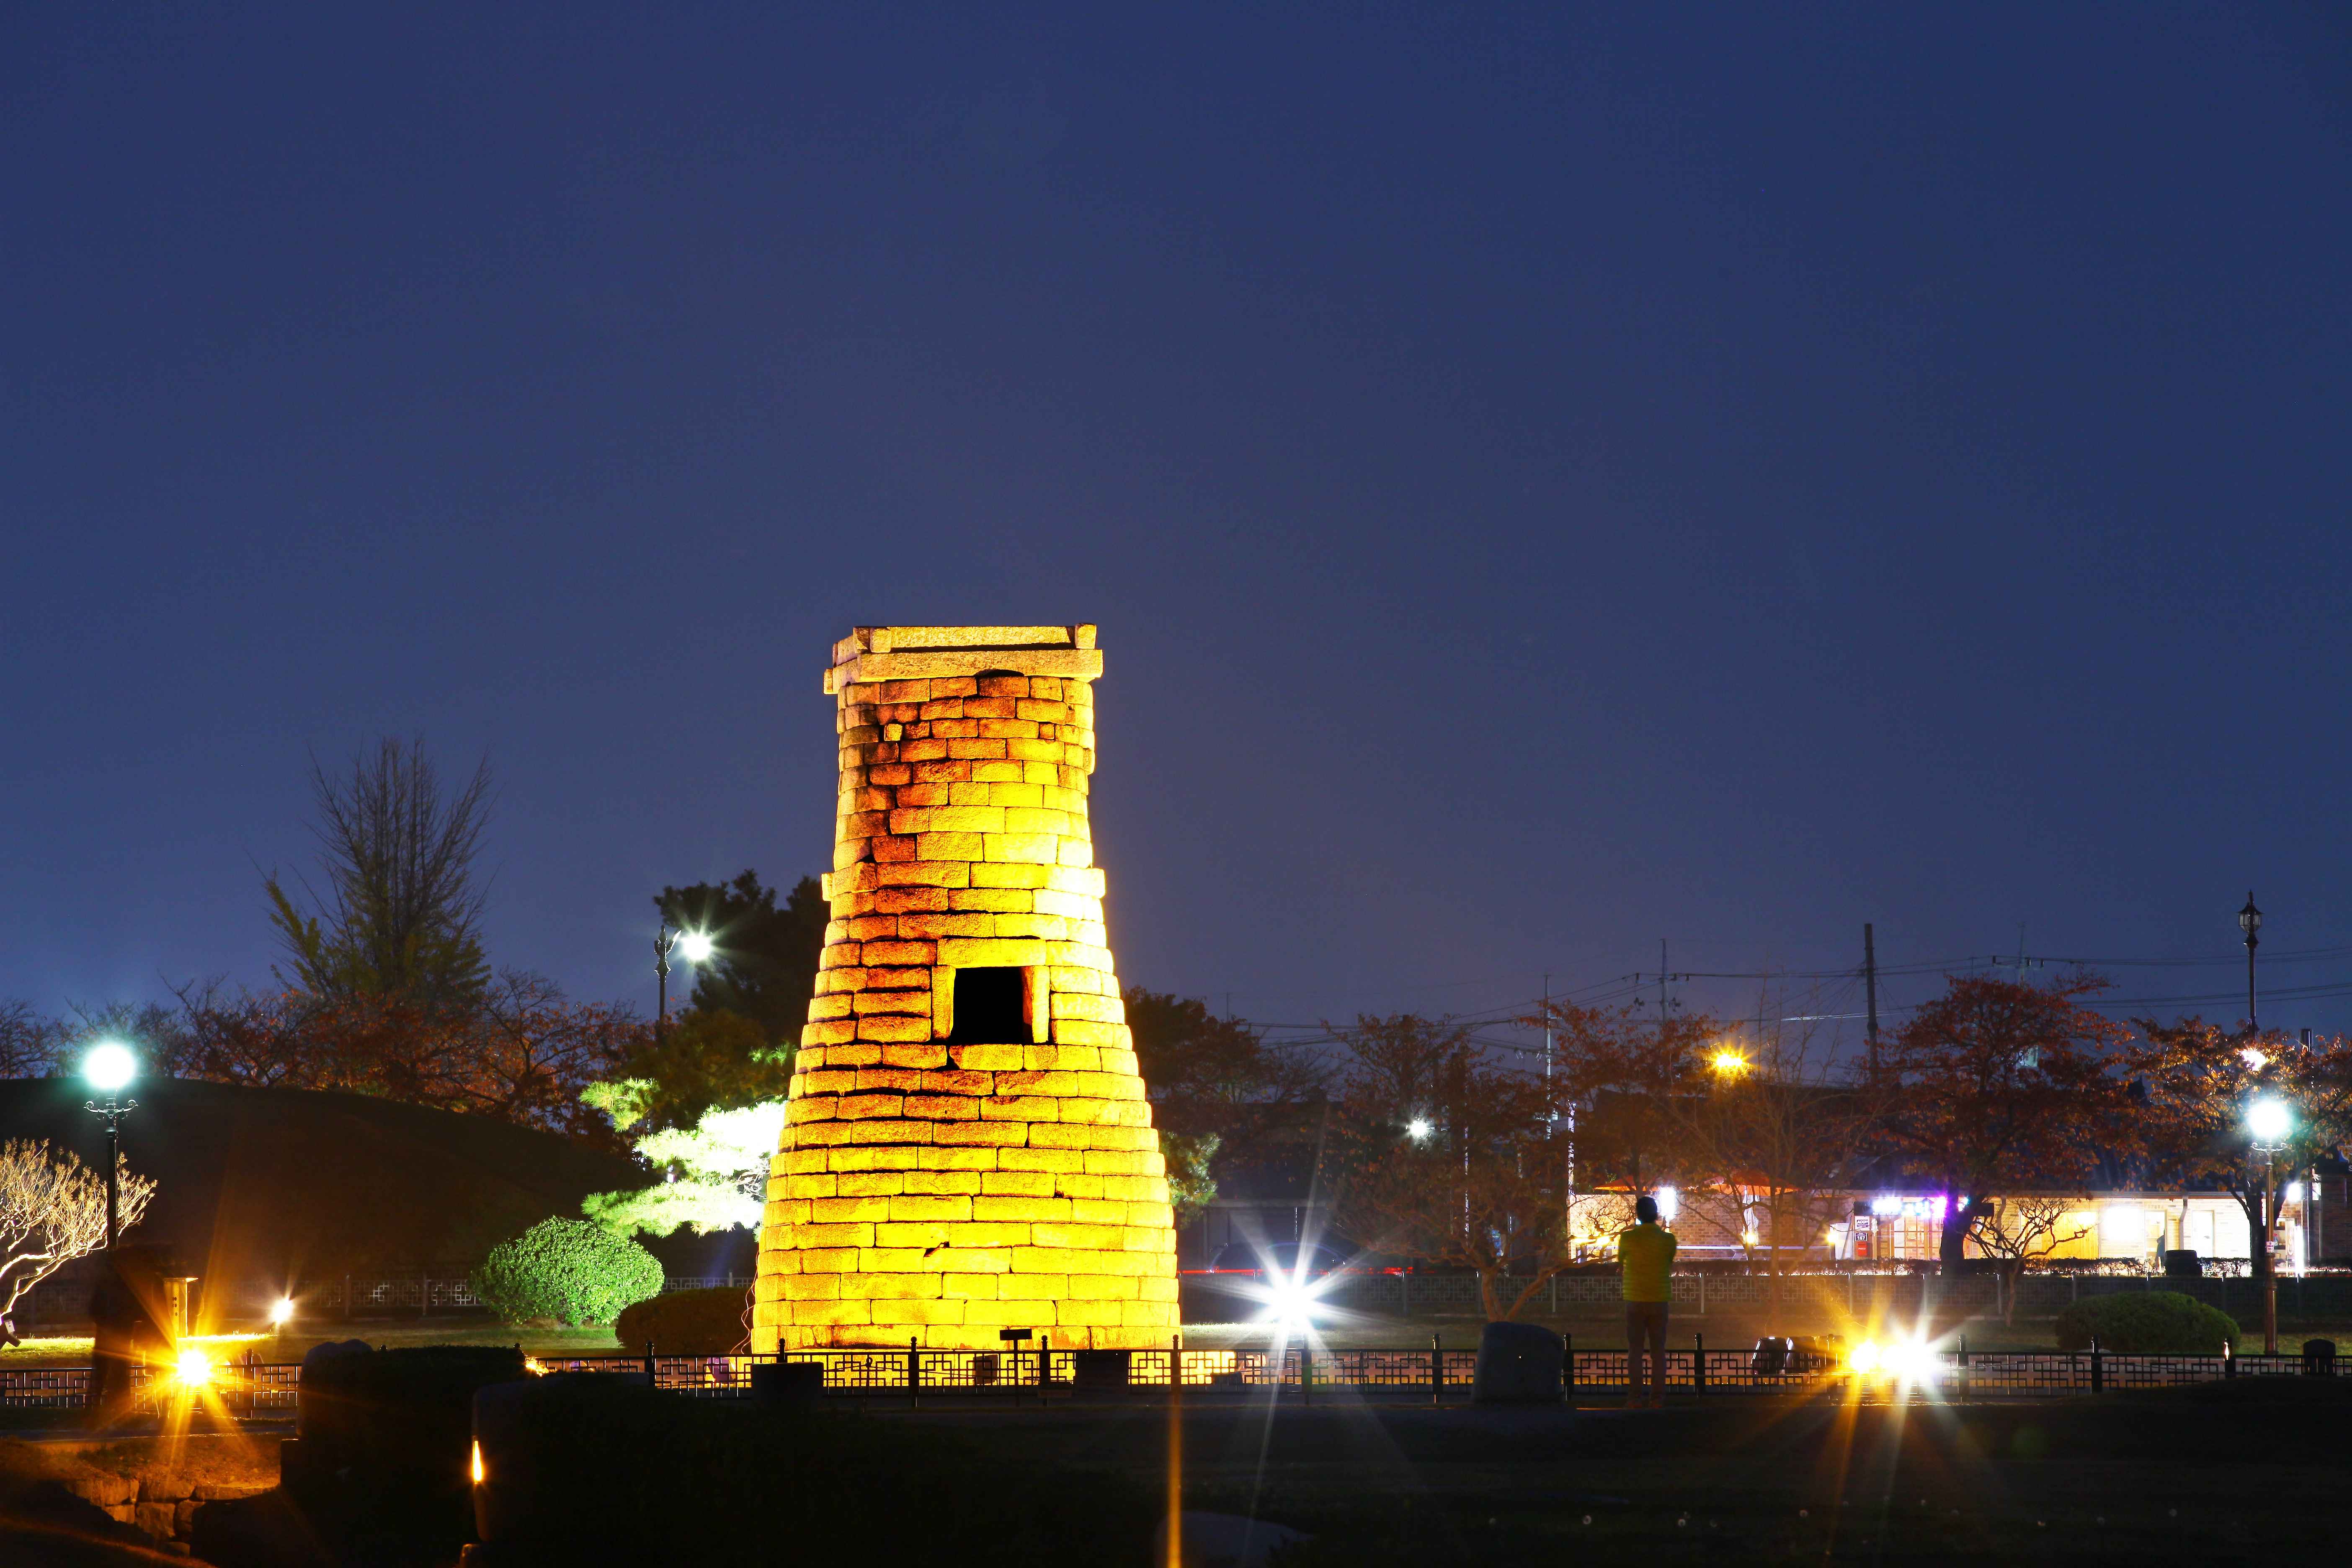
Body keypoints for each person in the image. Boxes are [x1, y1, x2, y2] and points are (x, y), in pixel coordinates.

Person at [1617, 1193, 1677, 1408]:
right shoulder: (1668, 1240)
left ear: (1638, 1216)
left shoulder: (1627, 1238)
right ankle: (1657, 1399)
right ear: (1657, 1215)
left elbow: (1620, 1260)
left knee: (1635, 1350)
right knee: (1658, 1351)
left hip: (1634, 1299)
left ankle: (1634, 1398)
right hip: (1659, 1299)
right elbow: (1669, 1260)